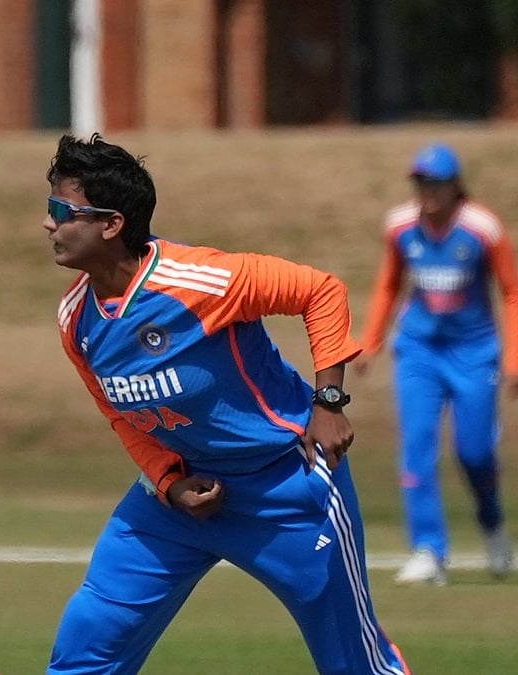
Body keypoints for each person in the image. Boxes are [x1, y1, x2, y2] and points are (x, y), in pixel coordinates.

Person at [42, 134, 409, 675]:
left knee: (355, 665)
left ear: (111, 223)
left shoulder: (201, 280)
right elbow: (123, 416)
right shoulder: (76, 319)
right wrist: (168, 482)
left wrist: (328, 400)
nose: (48, 224)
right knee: (85, 652)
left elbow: (320, 291)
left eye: (60, 210)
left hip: (286, 488)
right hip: (174, 504)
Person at [355, 142, 517, 586]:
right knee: (417, 447)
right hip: (419, 351)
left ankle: (493, 525)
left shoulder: (483, 228)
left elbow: (511, 292)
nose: (426, 192)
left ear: (455, 186)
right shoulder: (401, 226)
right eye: (420, 183)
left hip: (474, 353)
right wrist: (370, 342)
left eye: (435, 183)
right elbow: (389, 284)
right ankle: (429, 550)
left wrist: (513, 359)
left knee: (475, 452)